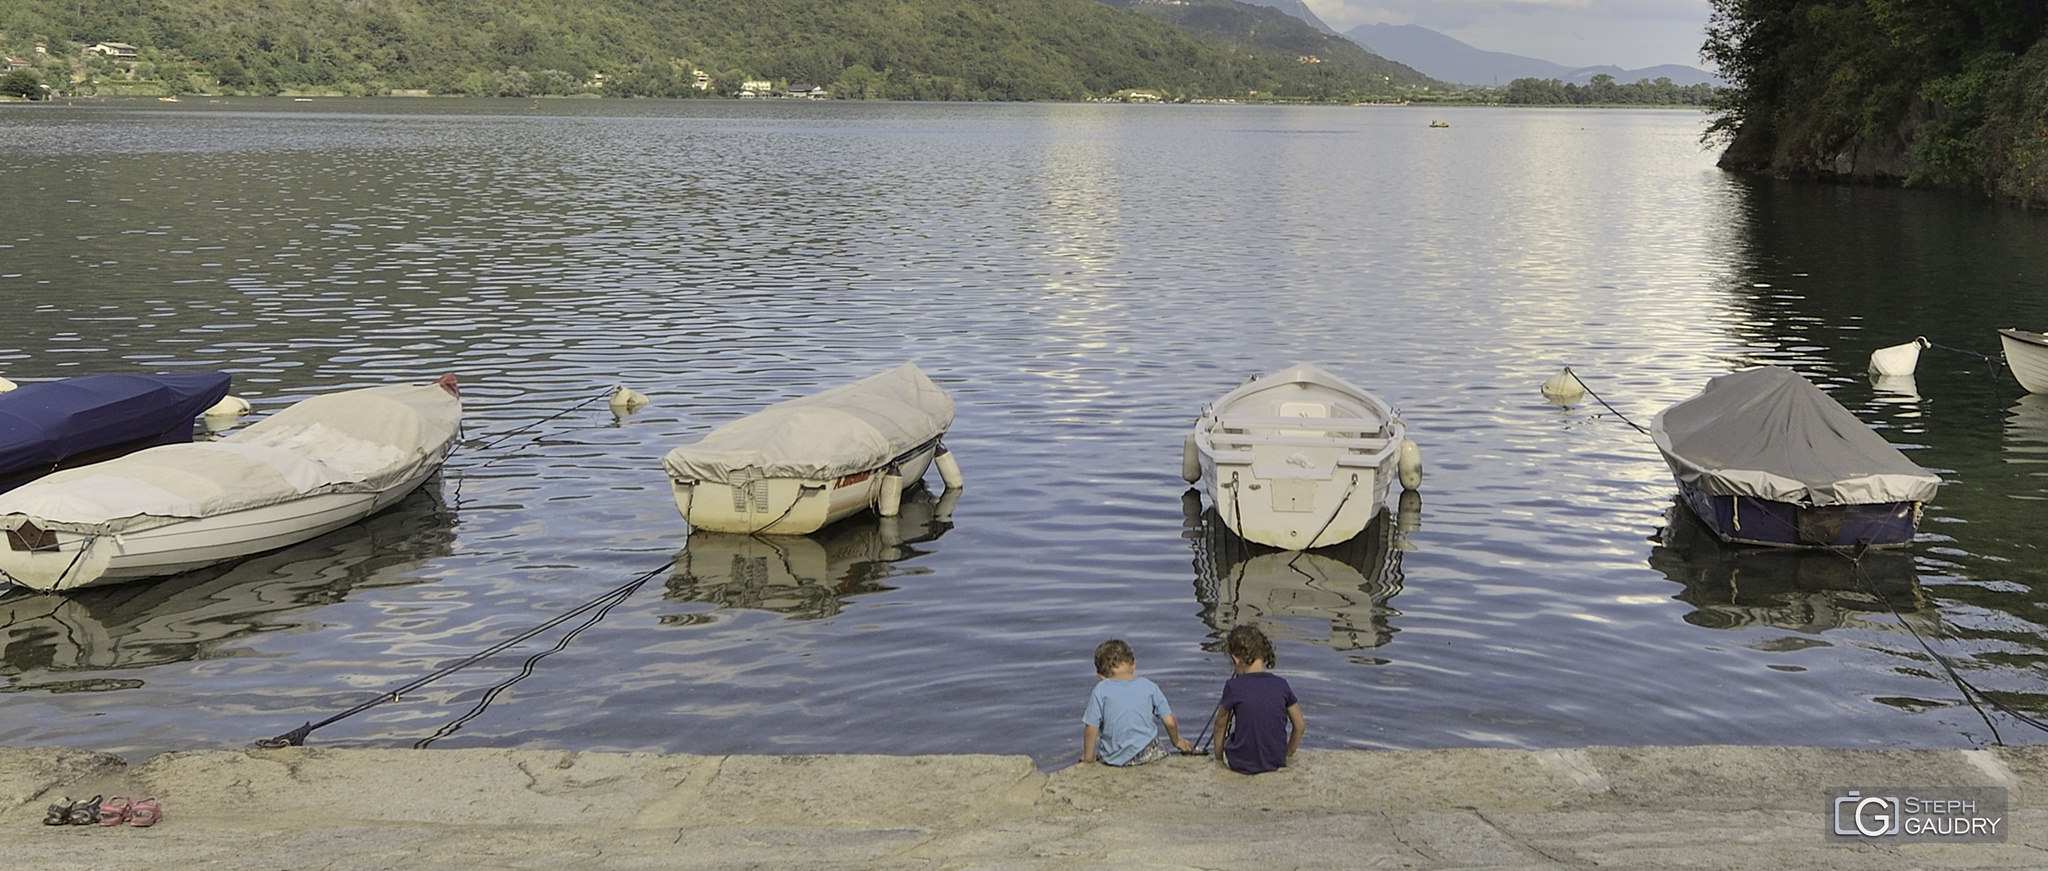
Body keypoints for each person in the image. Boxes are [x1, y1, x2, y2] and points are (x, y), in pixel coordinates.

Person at [1080, 639, 1193, 766]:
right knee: (1158, 748)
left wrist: (1088, 757)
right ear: (1133, 665)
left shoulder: (1100, 690)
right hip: (1150, 753)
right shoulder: (1149, 686)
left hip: (1115, 758)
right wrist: (1177, 741)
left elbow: (1091, 728)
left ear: (1101, 675)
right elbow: (1170, 721)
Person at [1211, 624, 1304, 774]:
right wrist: (1288, 753)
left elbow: (1220, 725)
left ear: (1235, 658)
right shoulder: (1281, 685)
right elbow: (1299, 725)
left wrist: (1218, 759)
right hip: (1276, 761)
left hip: (1241, 763)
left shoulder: (1233, 686)